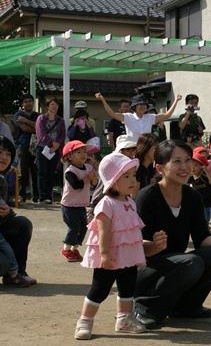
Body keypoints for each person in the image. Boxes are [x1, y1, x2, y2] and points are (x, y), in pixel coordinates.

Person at [133, 140, 211, 328]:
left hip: (177, 264)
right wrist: (153, 245)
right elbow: (135, 248)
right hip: (144, 270)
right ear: (160, 168)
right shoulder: (147, 196)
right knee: (191, 262)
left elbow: (201, 238)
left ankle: (186, 306)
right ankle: (145, 307)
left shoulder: (192, 196)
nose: (185, 167)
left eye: (188, 160)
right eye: (177, 162)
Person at [74, 152, 147, 340]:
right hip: (110, 257)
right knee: (99, 290)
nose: (133, 180)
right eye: (126, 176)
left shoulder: (130, 202)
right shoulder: (106, 204)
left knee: (128, 288)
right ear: (113, 180)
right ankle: (85, 320)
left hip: (128, 256)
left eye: (133, 175)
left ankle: (124, 320)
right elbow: (104, 231)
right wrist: (104, 254)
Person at [0, 136, 36, 286]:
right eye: (0, 152)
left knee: (22, 223)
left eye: (9, 154)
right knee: (3, 263)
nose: (4, 157)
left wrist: (8, 212)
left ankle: (16, 274)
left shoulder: (2, 181)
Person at [60, 140, 98, 262]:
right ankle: (66, 248)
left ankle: (75, 248)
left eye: (84, 152)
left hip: (81, 204)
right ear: (70, 156)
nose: (83, 154)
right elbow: (76, 185)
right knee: (74, 227)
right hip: (69, 205)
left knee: (83, 227)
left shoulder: (88, 167)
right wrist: (88, 178)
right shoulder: (70, 171)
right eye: (79, 152)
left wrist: (93, 178)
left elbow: (95, 183)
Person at [96, 92, 182, 142]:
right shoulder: (128, 117)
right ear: (134, 107)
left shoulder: (150, 117)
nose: (142, 106)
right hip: (132, 149)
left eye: (144, 105)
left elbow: (167, 115)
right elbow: (113, 114)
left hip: (146, 148)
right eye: (140, 104)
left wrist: (176, 101)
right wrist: (102, 100)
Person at [90, 135, 138, 210]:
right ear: (120, 150)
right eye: (129, 149)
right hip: (101, 204)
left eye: (134, 149)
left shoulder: (128, 165)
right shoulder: (112, 163)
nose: (132, 153)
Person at [35, 97, 66, 204]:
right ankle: (42, 196)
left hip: (55, 150)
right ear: (48, 106)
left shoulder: (60, 121)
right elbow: (40, 134)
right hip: (42, 148)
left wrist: (56, 146)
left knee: (51, 173)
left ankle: (49, 196)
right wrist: (52, 143)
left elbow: (62, 135)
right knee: (42, 172)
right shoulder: (41, 119)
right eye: (52, 104)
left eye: (56, 104)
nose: (54, 106)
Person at [189, 149, 211, 235]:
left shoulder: (204, 176)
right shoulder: (191, 177)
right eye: (191, 165)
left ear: (202, 166)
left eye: (196, 165)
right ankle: (206, 236)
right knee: (203, 221)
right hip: (203, 202)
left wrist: (206, 171)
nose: (193, 168)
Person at [13, 93, 39, 203]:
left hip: (36, 146)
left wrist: (27, 121)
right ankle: (21, 196)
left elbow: (40, 127)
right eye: (26, 102)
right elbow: (25, 129)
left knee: (35, 172)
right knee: (22, 173)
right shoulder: (18, 114)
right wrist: (34, 126)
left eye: (30, 101)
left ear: (33, 102)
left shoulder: (38, 115)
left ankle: (36, 196)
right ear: (22, 104)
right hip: (22, 145)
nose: (28, 103)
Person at [133, 133, 160, 198]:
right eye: (155, 148)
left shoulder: (151, 167)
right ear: (146, 148)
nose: (158, 152)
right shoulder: (136, 168)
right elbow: (134, 196)